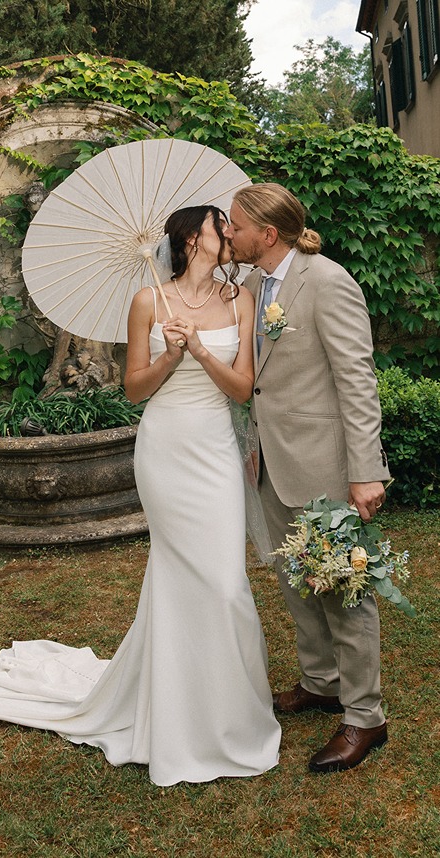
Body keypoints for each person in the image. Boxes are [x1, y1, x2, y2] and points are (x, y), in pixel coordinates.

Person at [0, 204, 281, 787]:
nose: (229, 234)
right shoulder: (148, 302)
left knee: (225, 584)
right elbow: (134, 390)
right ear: (192, 239)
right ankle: (177, 714)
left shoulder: (240, 300)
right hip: (165, 450)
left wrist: (199, 350)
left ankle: (231, 715)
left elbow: (243, 389)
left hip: (216, 450)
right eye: (220, 226)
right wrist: (171, 354)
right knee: (177, 575)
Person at [224, 183, 391, 774]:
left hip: (325, 466)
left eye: (236, 225)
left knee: (344, 592)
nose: (229, 233)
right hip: (270, 463)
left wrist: (365, 472)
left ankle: (365, 716)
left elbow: (357, 380)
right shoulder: (251, 284)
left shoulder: (327, 281)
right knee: (297, 581)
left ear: (267, 234)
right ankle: (321, 682)